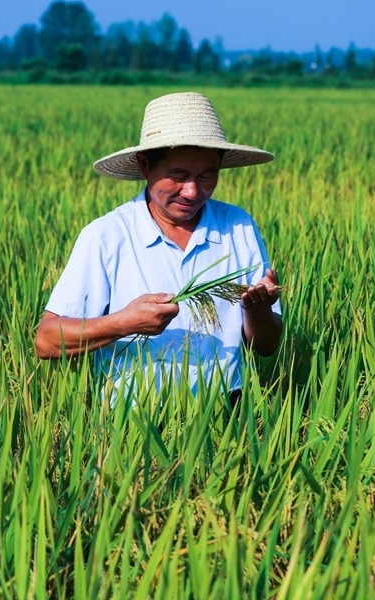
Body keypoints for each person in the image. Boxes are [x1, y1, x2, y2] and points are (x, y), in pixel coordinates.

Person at [35, 91, 282, 399]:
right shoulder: (107, 236)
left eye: (207, 175)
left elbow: (267, 346)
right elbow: (47, 341)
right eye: (178, 175)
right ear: (144, 166)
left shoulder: (238, 226)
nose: (192, 191)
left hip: (227, 412)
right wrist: (123, 323)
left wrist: (257, 311)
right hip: (132, 421)